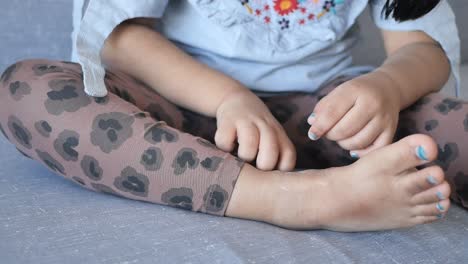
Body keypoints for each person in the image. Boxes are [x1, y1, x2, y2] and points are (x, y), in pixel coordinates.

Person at [0, 0, 466, 232]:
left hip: (331, 115)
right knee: (28, 91)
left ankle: (356, 174)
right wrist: (228, 98)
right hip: (179, 113)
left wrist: (386, 87)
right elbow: (117, 37)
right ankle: (295, 198)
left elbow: (422, 48)